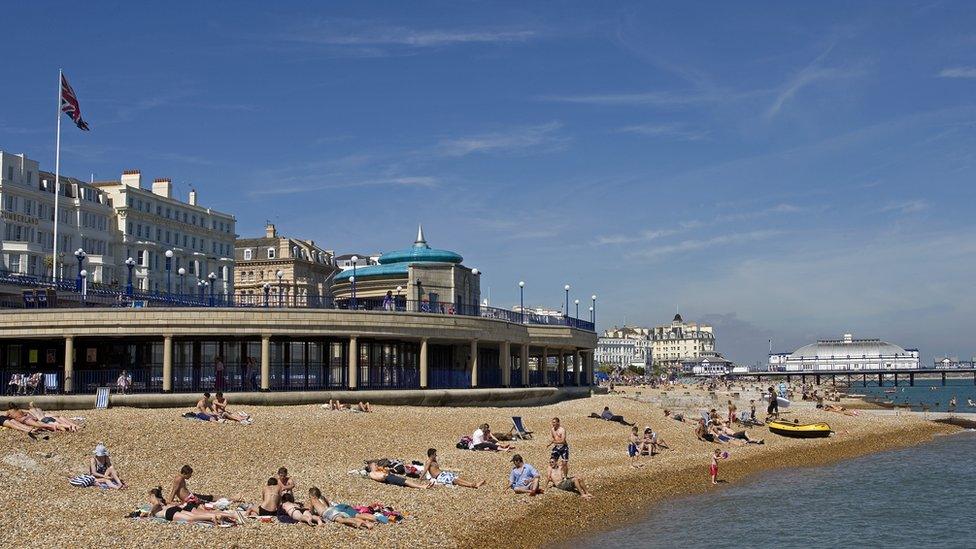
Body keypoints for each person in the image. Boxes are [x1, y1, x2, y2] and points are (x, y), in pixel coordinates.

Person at [148, 486, 241, 525]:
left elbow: (156, 504)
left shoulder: (153, 498)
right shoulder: (162, 501)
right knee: (196, 515)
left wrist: (151, 513)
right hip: (178, 508)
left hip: (168, 513)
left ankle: (213, 517)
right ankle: (230, 515)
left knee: (191, 518)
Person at [307, 487, 376, 529]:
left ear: (311, 495)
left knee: (341, 520)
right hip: (333, 509)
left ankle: (358, 523)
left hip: (327, 513)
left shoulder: (313, 499)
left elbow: (311, 511)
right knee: (346, 518)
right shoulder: (322, 497)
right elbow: (329, 505)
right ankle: (365, 522)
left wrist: (313, 513)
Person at [367, 462, 433, 489]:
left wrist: (387, 471)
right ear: (371, 467)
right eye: (375, 465)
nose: (377, 466)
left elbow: (387, 472)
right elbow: (378, 478)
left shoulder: (378, 470)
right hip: (388, 478)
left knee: (406, 481)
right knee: (405, 481)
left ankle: (421, 486)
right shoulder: (372, 473)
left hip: (389, 476)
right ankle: (422, 486)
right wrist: (384, 475)